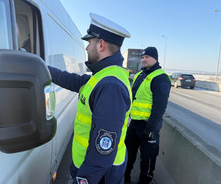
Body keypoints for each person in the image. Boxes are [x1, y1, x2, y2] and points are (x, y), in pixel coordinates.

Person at [48, 13, 132, 184]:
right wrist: (42, 67)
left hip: (99, 176)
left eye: (89, 43)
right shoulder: (103, 75)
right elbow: (74, 80)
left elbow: (104, 148)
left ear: (100, 44)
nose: (86, 48)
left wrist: (83, 179)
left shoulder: (111, 86)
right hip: (94, 170)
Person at [124, 47, 171, 184]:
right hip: (134, 124)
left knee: (148, 160)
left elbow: (159, 108)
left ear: (155, 58)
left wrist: (150, 129)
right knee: (128, 155)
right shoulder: (140, 75)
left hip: (149, 126)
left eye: (147, 57)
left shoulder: (161, 78)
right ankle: (125, 179)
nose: (143, 60)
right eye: (142, 57)